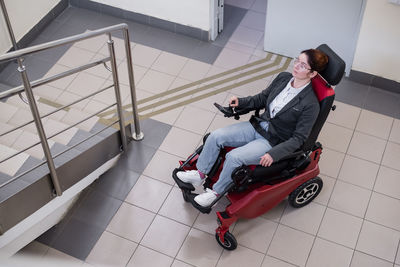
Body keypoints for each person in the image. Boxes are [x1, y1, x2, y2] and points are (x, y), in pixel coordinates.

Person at [176, 49, 329, 207]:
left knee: (234, 157)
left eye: (303, 65)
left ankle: (215, 194)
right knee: (215, 136)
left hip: (272, 140)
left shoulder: (310, 105)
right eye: (297, 61)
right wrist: (241, 102)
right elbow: (263, 98)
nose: (296, 66)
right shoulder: (283, 78)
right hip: (257, 126)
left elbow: (299, 138)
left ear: (312, 74)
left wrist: (273, 154)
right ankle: (200, 174)